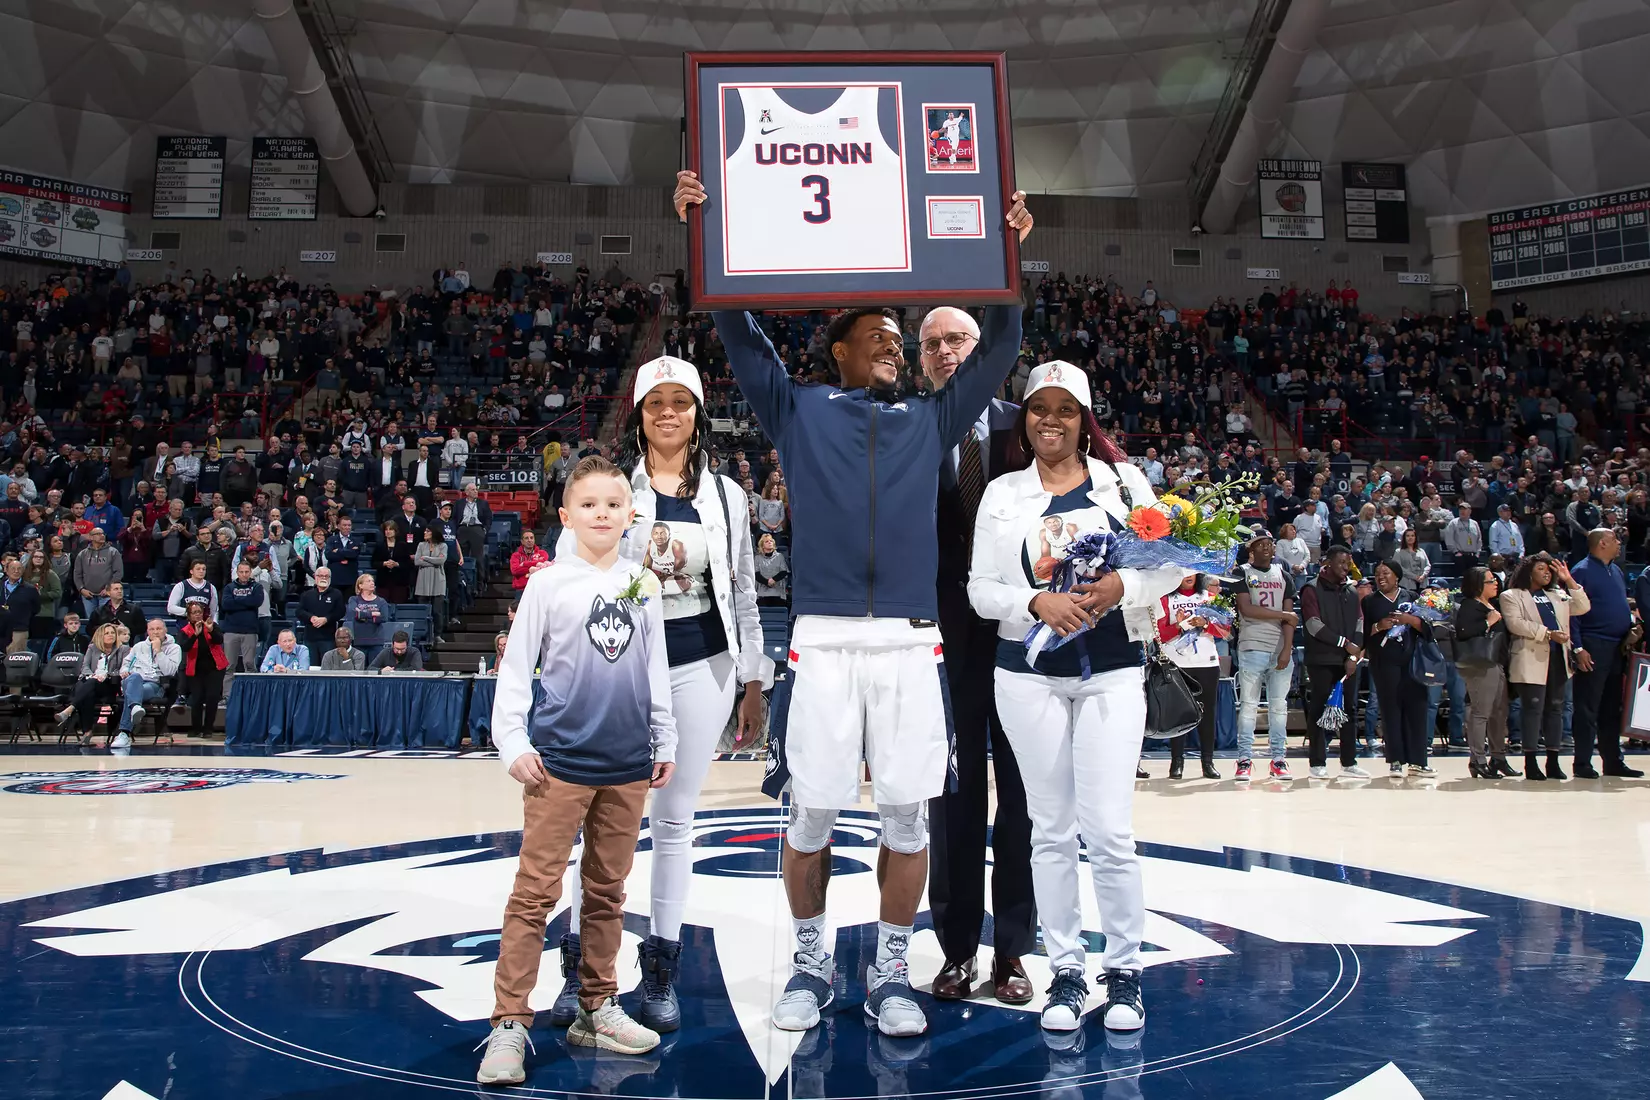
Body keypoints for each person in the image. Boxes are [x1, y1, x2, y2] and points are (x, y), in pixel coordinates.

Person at [676, 166, 1032, 1038]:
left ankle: (890, 972)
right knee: (812, 813)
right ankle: (807, 963)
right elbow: (735, 322)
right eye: (875, 334)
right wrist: (704, 229)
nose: (891, 345)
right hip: (824, 640)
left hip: (915, 644)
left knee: (910, 815)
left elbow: (998, 346)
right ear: (836, 351)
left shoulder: (930, 417)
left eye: (895, 337)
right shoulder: (798, 409)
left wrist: (1014, 253)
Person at [549, 356, 768, 1032]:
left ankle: (662, 971)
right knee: (604, 822)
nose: (668, 413)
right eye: (654, 403)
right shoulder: (611, 488)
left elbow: (743, 592)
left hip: (704, 668)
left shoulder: (729, 496)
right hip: (621, 672)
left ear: (698, 411)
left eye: (680, 401)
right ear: (639, 414)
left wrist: (753, 678)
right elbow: (567, 576)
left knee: (674, 825)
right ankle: (584, 971)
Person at [968, 360, 1179, 1032]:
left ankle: (1124, 972)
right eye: (1038, 408)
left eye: (1064, 409)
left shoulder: (1125, 485)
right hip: (1024, 677)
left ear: (1083, 419)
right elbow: (979, 589)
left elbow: (1172, 564)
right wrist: (1034, 599)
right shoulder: (1002, 493)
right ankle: (1065, 970)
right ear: (1024, 418)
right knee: (1048, 831)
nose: (1049, 420)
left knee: (1110, 831)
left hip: (1112, 670)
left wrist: (1128, 589)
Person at [476, 457, 677, 1085]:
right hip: (558, 766)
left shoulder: (642, 584)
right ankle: (510, 1022)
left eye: (613, 505)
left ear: (630, 515)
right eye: (588, 505)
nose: (602, 514)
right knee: (535, 893)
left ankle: (598, 1004)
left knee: (608, 892)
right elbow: (516, 673)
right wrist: (510, 741)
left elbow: (654, 670)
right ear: (565, 516)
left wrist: (662, 737)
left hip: (625, 765)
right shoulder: (545, 584)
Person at [916, 304, 1036, 1006]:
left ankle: (1014, 952)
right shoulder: (907, 423)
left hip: (1019, 628)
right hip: (940, 633)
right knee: (953, 793)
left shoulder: (1025, 423)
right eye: (930, 344)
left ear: (982, 347)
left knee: (1022, 794)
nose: (943, 351)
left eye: (956, 338)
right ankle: (958, 950)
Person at [1502, 553, 1590, 781]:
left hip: (1558, 659)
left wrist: (1568, 579)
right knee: (1533, 710)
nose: (1547, 572)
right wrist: (1548, 634)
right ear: (1529, 571)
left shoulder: (1557, 594)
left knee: (1556, 710)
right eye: (1541, 568)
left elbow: (1583, 606)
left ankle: (1553, 761)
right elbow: (1515, 624)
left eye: (1549, 570)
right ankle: (1530, 762)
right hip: (1530, 658)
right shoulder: (1512, 595)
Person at [1568, 529, 1644, 778]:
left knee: (1612, 708)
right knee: (1588, 707)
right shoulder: (1581, 570)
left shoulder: (1616, 570)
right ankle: (1582, 764)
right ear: (1602, 543)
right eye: (1615, 540)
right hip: (1594, 644)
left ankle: (1613, 761)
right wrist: (1578, 648)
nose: (1619, 544)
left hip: (1617, 646)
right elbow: (1574, 614)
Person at [1298, 546, 1368, 778]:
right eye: (1340, 563)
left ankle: (1349, 763)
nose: (1345, 568)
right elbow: (1313, 625)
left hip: (1347, 661)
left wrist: (1352, 654)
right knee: (1319, 709)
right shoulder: (1311, 588)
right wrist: (1344, 644)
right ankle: (1317, 763)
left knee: (1349, 709)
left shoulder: (1351, 590)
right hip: (1321, 659)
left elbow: (1359, 622)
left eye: (1347, 563)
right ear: (1328, 563)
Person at [1234, 532, 1297, 781]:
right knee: (1248, 707)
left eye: (1270, 544)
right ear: (1252, 549)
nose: (1268, 547)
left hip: (1279, 649)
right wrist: (1280, 615)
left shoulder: (1284, 575)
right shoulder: (1242, 573)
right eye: (1262, 544)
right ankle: (1244, 760)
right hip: (1251, 646)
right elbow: (1246, 608)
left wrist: (1287, 649)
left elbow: (1291, 619)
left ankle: (1279, 759)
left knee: (1279, 708)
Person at [1363, 559, 1435, 776]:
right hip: (1384, 663)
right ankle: (1395, 760)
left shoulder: (1412, 598)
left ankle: (1419, 761)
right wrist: (1379, 626)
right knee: (1391, 710)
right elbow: (1363, 633)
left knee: (1417, 709)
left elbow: (1427, 629)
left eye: (1385, 573)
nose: (1381, 577)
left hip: (1412, 663)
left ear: (1397, 576)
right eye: (1377, 574)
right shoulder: (1370, 601)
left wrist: (1409, 620)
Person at [1156, 574, 1222, 780]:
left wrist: (1206, 624)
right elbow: (1159, 633)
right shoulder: (1166, 598)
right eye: (1183, 572)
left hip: (1207, 662)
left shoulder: (1210, 596)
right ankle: (1177, 763)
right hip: (1178, 663)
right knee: (1178, 714)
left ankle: (1208, 762)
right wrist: (1179, 625)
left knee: (1208, 714)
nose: (1188, 576)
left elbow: (1225, 631)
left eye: (1192, 572)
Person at [1454, 566, 1516, 779]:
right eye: (1491, 581)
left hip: (1497, 664)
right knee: (1480, 713)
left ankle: (1498, 757)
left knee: (1499, 713)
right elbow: (1463, 632)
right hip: (1480, 665)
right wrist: (1488, 622)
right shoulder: (1469, 606)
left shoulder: (1493, 605)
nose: (1496, 583)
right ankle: (1477, 760)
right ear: (1478, 585)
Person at [55, 622, 128, 744]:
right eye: (106, 633)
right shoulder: (92, 648)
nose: (111, 635)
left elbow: (123, 670)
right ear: (100, 636)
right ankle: (87, 732)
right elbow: (85, 667)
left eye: (112, 633)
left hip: (110, 685)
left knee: (86, 687)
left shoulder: (123, 650)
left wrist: (107, 675)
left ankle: (71, 710)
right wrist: (92, 676)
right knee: (87, 691)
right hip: (92, 683)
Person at [115, 619, 182, 748]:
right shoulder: (138, 646)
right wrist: (124, 671)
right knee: (134, 678)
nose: (155, 632)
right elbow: (126, 663)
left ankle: (124, 733)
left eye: (159, 629)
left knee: (132, 693)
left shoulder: (174, 648)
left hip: (154, 685)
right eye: (152, 629)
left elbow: (170, 671)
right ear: (147, 632)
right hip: (132, 681)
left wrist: (158, 651)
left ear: (165, 630)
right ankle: (135, 708)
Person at [178, 602, 227, 736]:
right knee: (197, 698)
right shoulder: (185, 631)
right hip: (195, 670)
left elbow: (219, 640)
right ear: (189, 615)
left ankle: (208, 728)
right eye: (194, 612)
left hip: (215, 668)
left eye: (199, 612)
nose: (198, 614)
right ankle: (196, 727)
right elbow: (184, 647)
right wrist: (195, 635)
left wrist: (210, 630)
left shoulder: (211, 625)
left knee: (212, 697)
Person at [218, 559, 263, 698]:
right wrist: (246, 603)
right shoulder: (229, 587)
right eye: (241, 572)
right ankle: (227, 696)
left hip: (250, 631)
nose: (244, 574)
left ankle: (251, 695)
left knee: (249, 664)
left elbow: (256, 601)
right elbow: (226, 604)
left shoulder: (257, 587)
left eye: (246, 572)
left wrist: (236, 601)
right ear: (237, 572)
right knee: (229, 665)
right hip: (231, 631)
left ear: (250, 573)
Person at [296, 567, 346, 654]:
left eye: (326, 576)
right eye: (321, 576)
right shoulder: (307, 594)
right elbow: (299, 611)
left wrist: (326, 619)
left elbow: (340, 612)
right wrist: (310, 618)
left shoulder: (337, 594)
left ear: (330, 578)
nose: (323, 578)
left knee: (327, 666)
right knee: (311, 666)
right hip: (310, 638)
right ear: (315, 577)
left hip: (328, 638)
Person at [413, 524, 449, 639]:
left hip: (438, 581)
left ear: (433, 532)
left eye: (427, 531)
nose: (424, 533)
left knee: (437, 611)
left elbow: (441, 560)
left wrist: (426, 558)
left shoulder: (443, 546)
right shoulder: (421, 545)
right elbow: (417, 561)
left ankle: (437, 634)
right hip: (423, 581)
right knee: (422, 610)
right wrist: (433, 560)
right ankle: (423, 635)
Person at [455, 480, 494, 584]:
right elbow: (454, 518)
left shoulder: (483, 503)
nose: (476, 491)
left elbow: (488, 518)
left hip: (477, 529)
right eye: (473, 490)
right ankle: (464, 580)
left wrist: (485, 530)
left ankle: (480, 581)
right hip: (463, 529)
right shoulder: (459, 503)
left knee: (478, 557)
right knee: (462, 556)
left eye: (476, 489)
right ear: (466, 492)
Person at [0, 558, 40, 654]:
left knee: (14, 661)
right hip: (1, 630)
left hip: (19, 630)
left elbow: (36, 609)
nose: (16, 571)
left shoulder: (30, 589)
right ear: (6, 570)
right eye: (13, 568)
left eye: (19, 569)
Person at [167, 559, 218, 625]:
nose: (201, 571)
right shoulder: (181, 586)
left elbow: (214, 610)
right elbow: (171, 608)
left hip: (203, 626)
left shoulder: (211, 587)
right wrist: (191, 613)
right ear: (191, 571)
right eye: (198, 569)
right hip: (185, 626)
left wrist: (214, 624)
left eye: (203, 569)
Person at [753, 533, 788, 606]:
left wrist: (773, 580)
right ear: (762, 546)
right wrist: (767, 582)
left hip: (778, 592)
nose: (769, 542)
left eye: (771, 541)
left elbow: (783, 571)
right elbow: (756, 574)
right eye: (767, 541)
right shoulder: (757, 558)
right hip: (762, 592)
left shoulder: (779, 556)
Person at [1394, 528, 1430, 596]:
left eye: (1412, 536)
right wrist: (1414, 577)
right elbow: (1398, 567)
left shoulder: (1421, 551)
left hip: (1422, 583)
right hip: (1406, 584)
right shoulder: (1398, 552)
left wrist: (1423, 575)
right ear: (1404, 538)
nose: (1410, 538)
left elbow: (1428, 565)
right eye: (1407, 536)